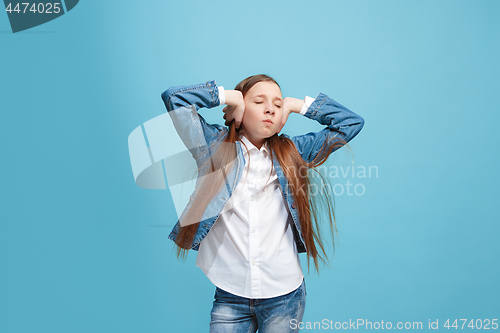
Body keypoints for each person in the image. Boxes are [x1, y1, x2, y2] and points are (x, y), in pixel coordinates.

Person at [161, 74, 364, 333]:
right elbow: (174, 99)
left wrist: (296, 105)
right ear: (240, 111)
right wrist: (229, 96)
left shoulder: (295, 152)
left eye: (277, 105)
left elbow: (351, 123)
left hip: (284, 294)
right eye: (258, 102)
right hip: (230, 294)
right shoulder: (212, 146)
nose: (270, 108)